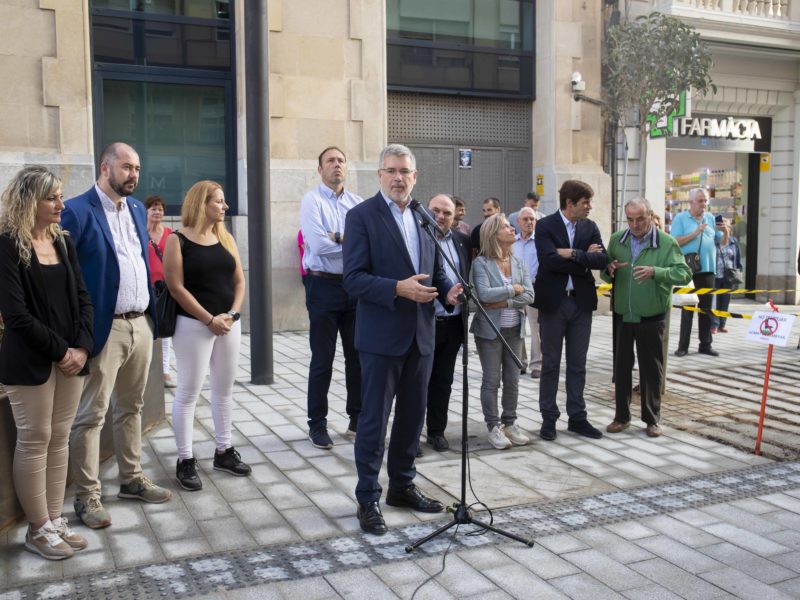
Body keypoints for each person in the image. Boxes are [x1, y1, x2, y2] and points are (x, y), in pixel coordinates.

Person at [342, 143, 462, 535]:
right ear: (379, 175)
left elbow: (434, 270)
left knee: (412, 419)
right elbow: (354, 279)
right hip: (381, 337)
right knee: (374, 422)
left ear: (415, 177)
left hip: (421, 336)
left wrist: (448, 290)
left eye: (405, 171)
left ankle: (402, 486)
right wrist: (397, 288)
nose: (398, 177)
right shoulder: (361, 217)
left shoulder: (425, 216)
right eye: (391, 170)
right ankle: (367, 498)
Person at [62, 142, 171, 530]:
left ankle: (131, 479)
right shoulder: (76, 211)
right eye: (126, 167)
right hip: (102, 329)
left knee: (132, 407)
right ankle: (87, 496)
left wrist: (151, 322)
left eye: (137, 168)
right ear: (105, 168)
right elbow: (65, 278)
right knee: (91, 415)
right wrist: (77, 334)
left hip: (140, 323)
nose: (134, 175)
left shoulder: (138, 209)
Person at [0, 167, 94, 560]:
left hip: (71, 359)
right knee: (35, 440)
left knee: (60, 438)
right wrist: (62, 351)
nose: (60, 204)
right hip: (31, 363)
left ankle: (54, 519)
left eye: (60, 196)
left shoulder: (63, 242)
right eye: (52, 198)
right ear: (30, 201)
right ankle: (37, 529)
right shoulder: (7, 244)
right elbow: (16, 315)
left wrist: (84, 347)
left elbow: (83, 298)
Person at [162, 180, 248, 491]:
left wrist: (232, 315)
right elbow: (176, 287)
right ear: (202, 204)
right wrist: (209, 319)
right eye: (219, 202)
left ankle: (223, 451)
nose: (225, 207)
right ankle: (185, 460)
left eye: (224, 202)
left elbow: (239, 282)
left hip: (228, 324)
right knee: (187, 393)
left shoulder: (226, 238)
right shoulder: (177, 240)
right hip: (193, 325)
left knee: (224, 391)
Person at [602, 198, 692, 437]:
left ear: (651, 216)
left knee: (651, 369)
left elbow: (684, 273)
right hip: (623, 313)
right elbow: (606, 271)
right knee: (621, 368)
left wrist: (656, 273)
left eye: (640, 218)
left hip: (652, 314)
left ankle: (652, 420)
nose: (635, 224)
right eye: (630, 219)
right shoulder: (617, 240)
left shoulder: (666, 242)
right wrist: (608, 269)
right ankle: (621, 417)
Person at [299, 146, 363, 449]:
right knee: (322, 359)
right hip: (322, 286)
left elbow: (368, 245)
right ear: (320, 168)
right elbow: (318, 246)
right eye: (330, 161)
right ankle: (318, 424)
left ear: (346, 167)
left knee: (357, 356)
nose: (336, 165)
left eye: (340, 161)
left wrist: (336, 236)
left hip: (353, 286)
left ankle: (357, 418)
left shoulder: (357, 204)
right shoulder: (311, 201)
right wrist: (348, 241)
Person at [534, 179, 608, 441]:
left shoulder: (590, 226)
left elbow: (602, 259)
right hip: (554, 304)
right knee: (551, 364)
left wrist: (572, 254)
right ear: (570, 203)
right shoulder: (545, 225)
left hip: (581, 303)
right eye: (585, 202)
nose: (589, 207)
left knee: (578, 364)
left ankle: (577, 417)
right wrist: (583, 257)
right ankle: (549, 419)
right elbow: (548, 260)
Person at [471, 213, 534, 450]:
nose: (512, 229)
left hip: (514, 328)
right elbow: (483, 295)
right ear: (493, 234)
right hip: (489, 331)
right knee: (491, 380)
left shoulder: (518, 262)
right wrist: (512, 290)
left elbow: (530, 294)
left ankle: (510, 423)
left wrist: (504, 301)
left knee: (512, 379)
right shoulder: (481, 263)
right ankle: (493, 426)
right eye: (506, 227)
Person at [423, 194, 471, 452]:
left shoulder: (463, 242)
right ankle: (409, 435)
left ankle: (436, 431)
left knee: (443, 380)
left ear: (455, 218)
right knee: (416, 381)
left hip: (452, 322)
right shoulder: (419, 239)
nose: (440, 217)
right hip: (425, 321)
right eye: (436, 211)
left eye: (447, 213)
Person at [670, 188, 722, 357]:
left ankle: (705, 344)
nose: (704, 204)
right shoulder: (681, 218)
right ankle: (683, 346)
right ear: (691, 202)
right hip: (688, 269)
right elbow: (675, 241)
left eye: (706, 201)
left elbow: (717, 240)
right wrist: (695, 232)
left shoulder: (710, 219)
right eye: (700, 201)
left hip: (707, 269)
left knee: (706, 309)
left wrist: (725, 232)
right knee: (688, 307)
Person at [145, 195, 175, 388]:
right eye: (153, 209)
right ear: (146, 212)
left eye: (161, 209)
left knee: (164, 331)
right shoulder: (140, 233)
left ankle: (165, 371)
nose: (157, 212)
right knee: (147, 330)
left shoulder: (171, 234)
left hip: (165, 290)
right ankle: (147, 370)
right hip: (146, 288)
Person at [511, 207, 541, 378]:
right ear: (518, 222)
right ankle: (520, 361)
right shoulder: (513, 242)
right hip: (515, 289)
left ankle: (537, 364)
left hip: (534, 287)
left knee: (536, 327)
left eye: (532, 219)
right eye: (526, 219)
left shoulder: (540, 242)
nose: (529, 222)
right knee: (516, 326)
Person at [711, 215, 742, 334]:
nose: (722, 226)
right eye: (720, 224)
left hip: (728, 274)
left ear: (729, 226)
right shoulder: (714, 239)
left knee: (725, 301)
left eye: (725, 224)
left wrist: (739, 270)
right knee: (715, 301)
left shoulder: (733, 241)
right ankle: (714, 324)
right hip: (715, 274)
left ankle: (722, 324)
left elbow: (737, 257)